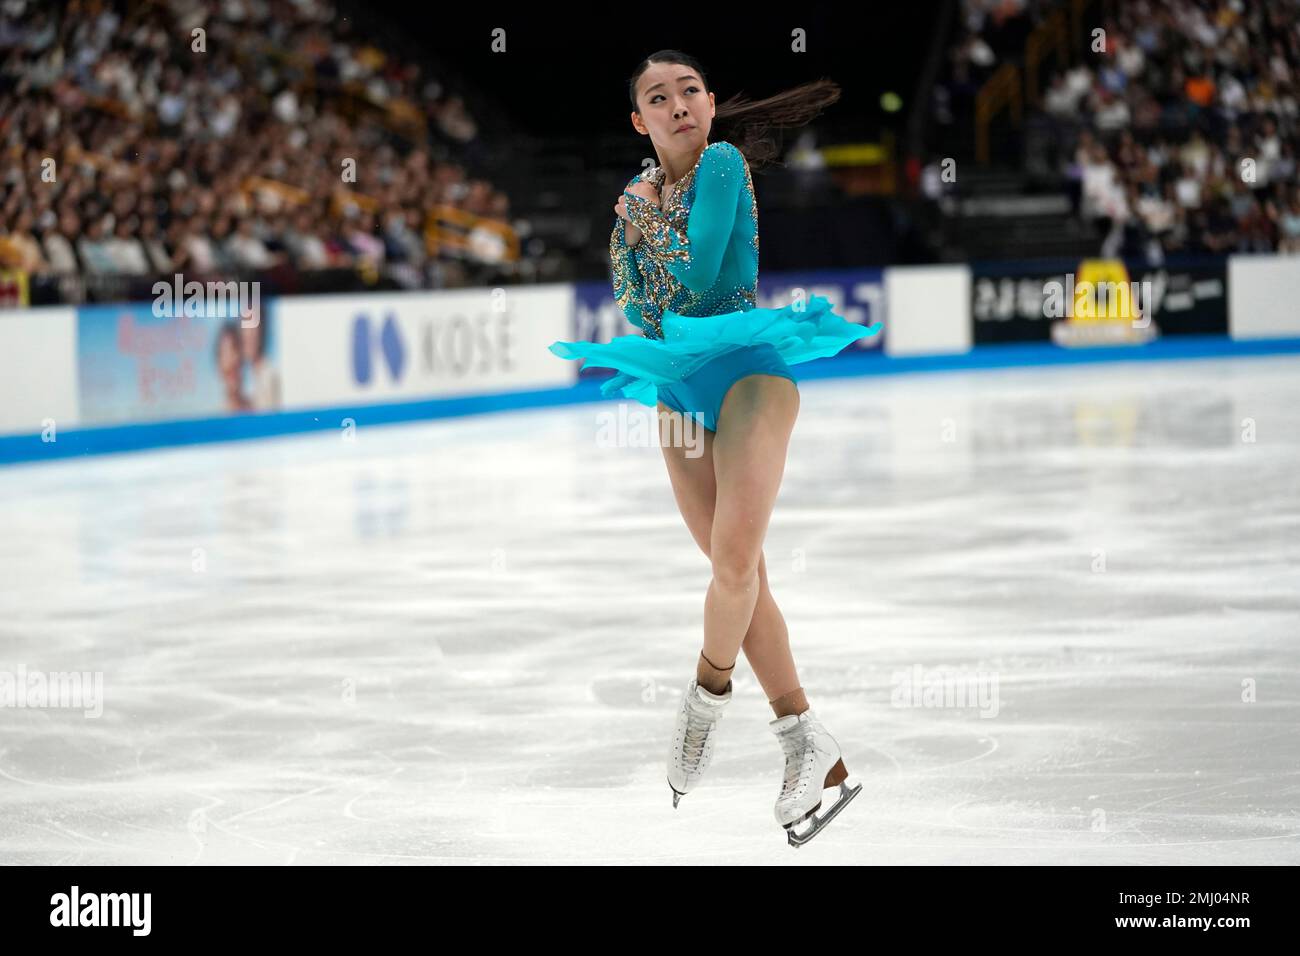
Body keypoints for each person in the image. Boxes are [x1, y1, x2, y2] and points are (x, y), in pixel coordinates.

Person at [548, 51, 881, 845]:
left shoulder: (722, 164)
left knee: (735, 564)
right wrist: (643, 241)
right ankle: (807, 741)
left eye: (690, 91)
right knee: (742, 579)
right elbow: (632, 303)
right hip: (675, 392)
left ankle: (704, 701)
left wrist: (645, 232)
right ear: (640, 121)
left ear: (706, 103)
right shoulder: (634, 196)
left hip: (747, 375)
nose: (679, 105)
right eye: (658, 98)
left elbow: (695, 281)